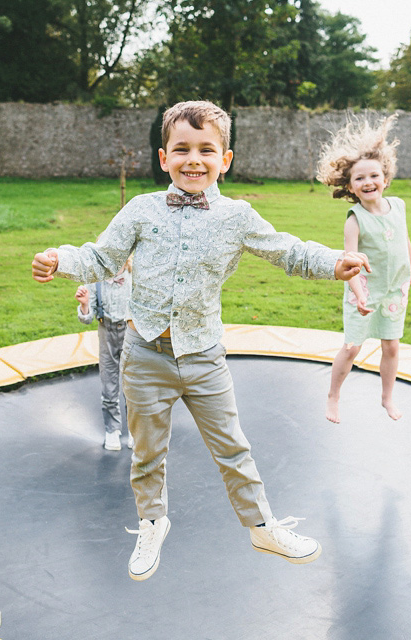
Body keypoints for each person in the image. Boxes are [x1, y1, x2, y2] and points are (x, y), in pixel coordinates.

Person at [32, 100, 370, 582]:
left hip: (205, 356)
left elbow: (287, 250)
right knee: (148, 452)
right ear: (163, 157)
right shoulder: (140, 210)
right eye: (182, 149)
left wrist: (333, 262)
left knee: (233, 448)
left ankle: (261, 525)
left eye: (206, 150)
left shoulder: (237, 216)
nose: (194, 159)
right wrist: (58, 259)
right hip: (145, 352)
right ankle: (152, 522)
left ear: (225, 159)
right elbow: (101, 258)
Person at [316, 114, 411, 424]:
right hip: (363, 293)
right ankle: (333, 396)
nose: (368, 182)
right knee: (351, 348)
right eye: (360, 179)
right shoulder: (355, 219)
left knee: (391, 346)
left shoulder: (399, 206)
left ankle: (387, 397)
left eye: (373, 176)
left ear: (385, 179)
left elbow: (406, 243)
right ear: (350, 186)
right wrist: (359, 295)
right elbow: (350, 263)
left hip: (394, 290)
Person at [75, 257, 133, 451]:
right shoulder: (95, 282)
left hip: (130, 331)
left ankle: (136, 429)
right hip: (106, 331)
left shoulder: (135, 278)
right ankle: (112, 429)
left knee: (133, 384)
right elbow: (87, 318)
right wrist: (84, 305)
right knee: (109, 383)